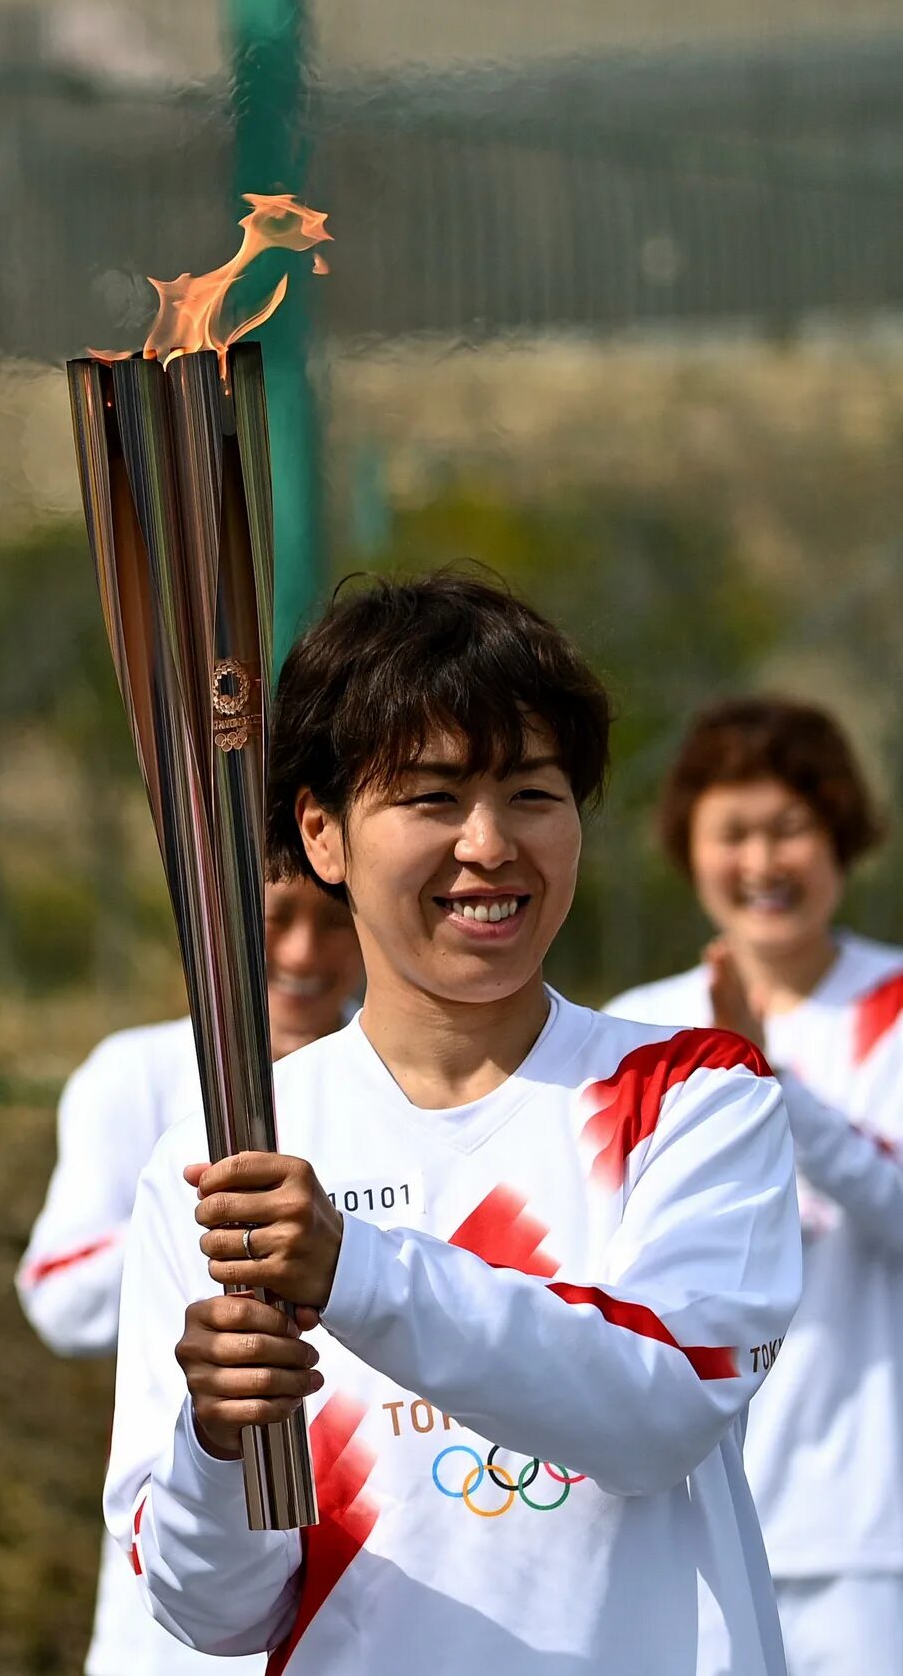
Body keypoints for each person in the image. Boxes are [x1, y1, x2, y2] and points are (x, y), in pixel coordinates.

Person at [107, 571, 802, 1674]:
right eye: (431, 799)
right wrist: (221, 1444)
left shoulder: (688, 1094)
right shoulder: (226, 1157)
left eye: (532, 793)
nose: (489, 844)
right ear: (323, 835)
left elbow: (658, 1409)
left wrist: (355, 1273)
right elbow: (213, 1613)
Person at [602, 697, 903, 1676]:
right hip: (680, 1529)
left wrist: (768, 1077)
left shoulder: (893, 1006)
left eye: (791, 830)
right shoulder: (636, 1032)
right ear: (689, 846)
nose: (764, 864)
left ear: (840, 835)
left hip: (863, 1538)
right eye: (733, 833)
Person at [19, 875, 364, 1675]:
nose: (303, 953)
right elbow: (57, 1295)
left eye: (334, 920)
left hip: (366, 1566)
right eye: (274, 920)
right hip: (185, 1584)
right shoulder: (136, 1073)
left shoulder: (403, 1090)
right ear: (217, 922)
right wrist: (199, 1235)